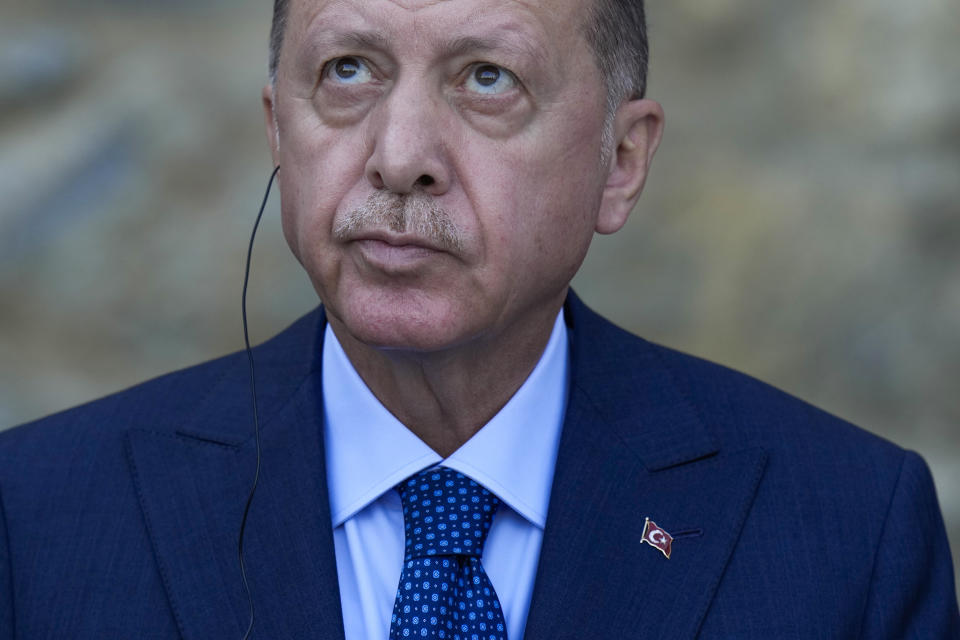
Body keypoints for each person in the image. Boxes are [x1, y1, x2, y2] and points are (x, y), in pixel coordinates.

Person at [1, 0, 957, 637]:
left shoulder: (846, 536)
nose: (400, 154)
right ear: (276, 131)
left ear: (619, 163)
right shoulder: (38, 516)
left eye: (487, 78)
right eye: (346, 70)